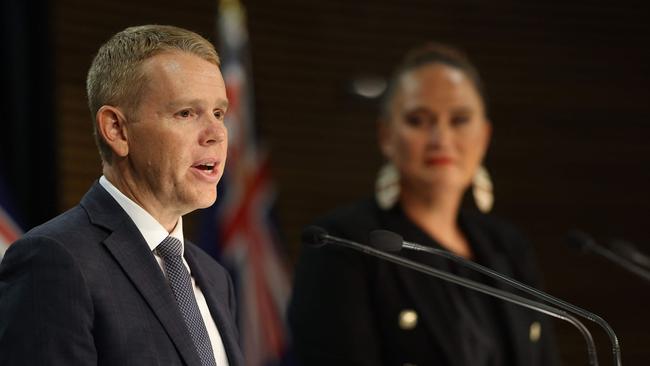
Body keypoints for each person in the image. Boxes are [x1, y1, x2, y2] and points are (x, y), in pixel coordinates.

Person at [288, 44, 560, 366]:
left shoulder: (509, 246)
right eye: (418, 120)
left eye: (459, 120)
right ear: (386, 135)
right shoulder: (342, 243)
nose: (440, 138)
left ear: (484, 136)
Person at [0, 25, 243, 366]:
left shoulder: (215, 277)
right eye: (186, 113)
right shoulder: (55, 260)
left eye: (219, 113)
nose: (216, 133)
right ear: (116, 129)